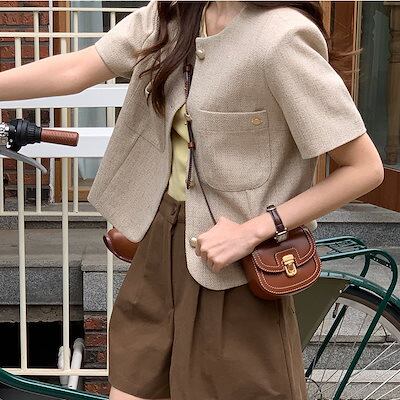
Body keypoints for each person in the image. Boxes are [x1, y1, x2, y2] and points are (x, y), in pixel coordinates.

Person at [0, 1, 384, 399]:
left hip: (234, 267)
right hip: (160, 246)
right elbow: (78, 68)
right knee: (130, 387)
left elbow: (365, 168)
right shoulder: (172, 15)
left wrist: (254, 230)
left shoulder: (281, 37)